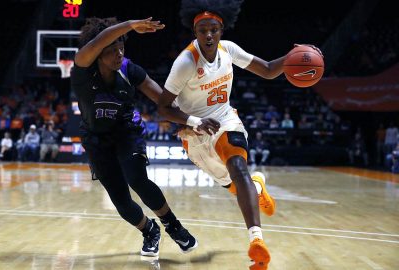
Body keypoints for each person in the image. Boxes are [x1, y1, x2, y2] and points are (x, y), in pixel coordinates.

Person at [156, 1, 323, 268]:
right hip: (194, 132)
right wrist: (195, 121)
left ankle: (256, 240)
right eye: (202, 30)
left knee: (238, 168)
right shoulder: (185, 62)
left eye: (213, 29)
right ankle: (257, 188)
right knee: (233, 186)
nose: (208, 35)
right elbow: (163, 108)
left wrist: (294, 57)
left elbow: (268, 70)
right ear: (195, 32)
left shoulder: (228, 50)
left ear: (221, 30)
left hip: (224, 120)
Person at [70, 17, 197, 257]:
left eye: (121, 47)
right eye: (111, 50)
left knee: (137, 179)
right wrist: (129, 24)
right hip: (96, 138)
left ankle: (173, 226)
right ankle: (149, 230)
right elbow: (97, 42)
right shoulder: (83, 67)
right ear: (98, 52)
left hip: (127, 132)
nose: (119, 54)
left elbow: (162, 100)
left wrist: (188, 121)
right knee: (122, 204)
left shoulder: (129, 69)